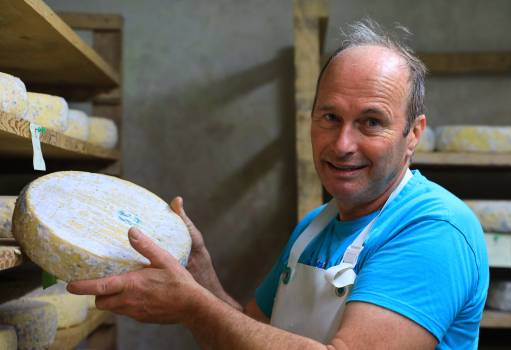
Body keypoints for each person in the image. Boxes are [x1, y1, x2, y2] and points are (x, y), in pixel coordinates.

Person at [68, 19, 489, 349]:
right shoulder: (313, 228)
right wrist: (200, 280)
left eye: (371, 122)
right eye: (329, 117)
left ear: (413, 134)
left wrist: (192, 305)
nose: (343, 144)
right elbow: (248, 334)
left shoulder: (435, 230)